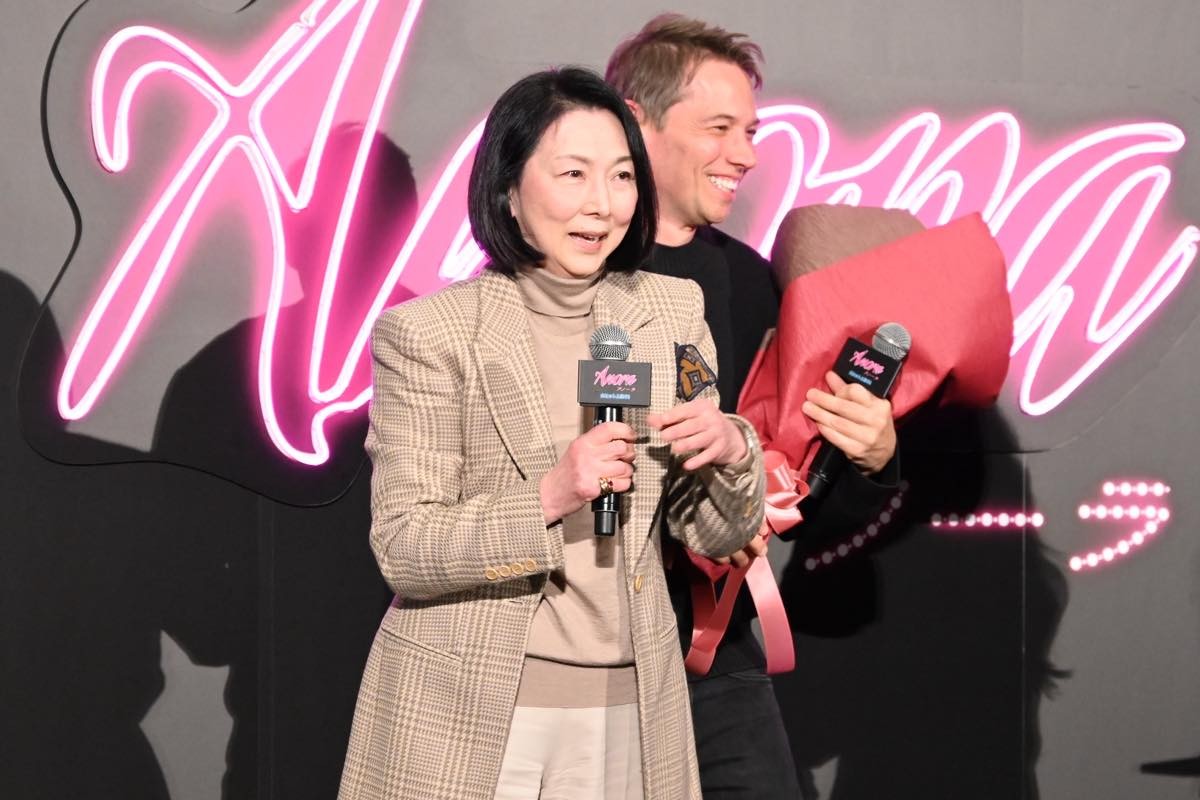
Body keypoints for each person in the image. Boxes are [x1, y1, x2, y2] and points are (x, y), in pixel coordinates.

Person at [338, 66, 766, 800]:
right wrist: (550, 495)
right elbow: (405, 548)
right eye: (573, 174)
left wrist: (730, 452)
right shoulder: (431, 334)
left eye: (622, 176)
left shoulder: (670, 313)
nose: (602, 203)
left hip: (633, 711)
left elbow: (714, 532)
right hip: (469, 712)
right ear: (508, 188)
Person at [606, 16, 899, 798]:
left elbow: (804, 499)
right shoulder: (558, 275)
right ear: (636, 122)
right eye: (719, 128)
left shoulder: (756, 286)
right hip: (579, 655)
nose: (746, 154)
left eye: (751, 131)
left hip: (713, 655)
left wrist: (870, 458)